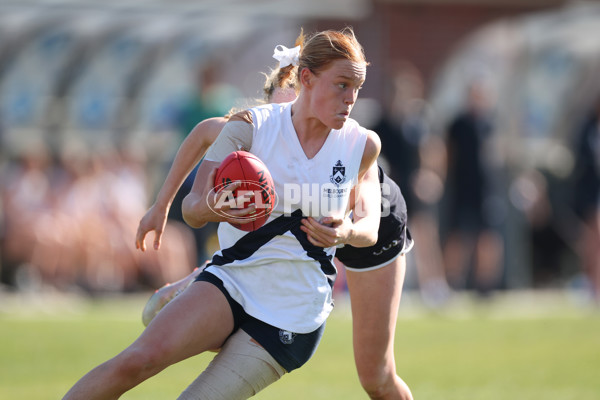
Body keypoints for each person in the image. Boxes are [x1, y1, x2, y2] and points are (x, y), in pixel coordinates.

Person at [62, 27, 383, 400]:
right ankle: (193, 283)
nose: (351, 99)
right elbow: (194, 209)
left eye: (356, 88)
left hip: (292, 313)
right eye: (342, 85)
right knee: (136, 361)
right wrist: (210, 206)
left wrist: (345, 232)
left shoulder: (362, 144)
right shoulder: (251, 126)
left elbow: (370, 226)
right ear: (307, 78)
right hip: (232, 281)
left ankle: (185, 288)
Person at [139, 43, 414, 400]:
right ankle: (207, 277)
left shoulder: (346, 137)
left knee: (376, 377)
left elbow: (361, 220)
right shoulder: (258, 129)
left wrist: (346, 230)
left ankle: (201, 275)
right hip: (307, 231)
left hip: (369, 224)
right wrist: (161, 206)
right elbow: (204, 133)